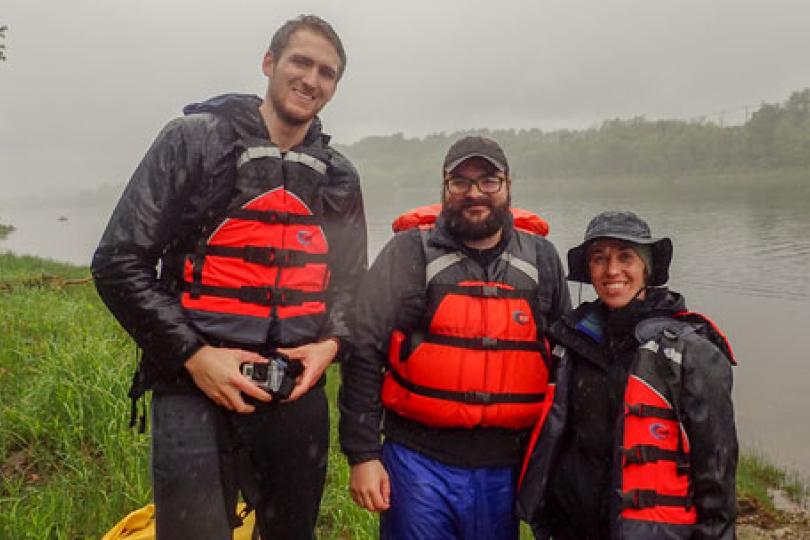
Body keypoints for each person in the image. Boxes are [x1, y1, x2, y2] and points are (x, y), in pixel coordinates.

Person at [92, 15, 367, 540]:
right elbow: (118, 261)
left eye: (326, 73)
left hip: (293, 392)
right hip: (194, 385)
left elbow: (352, 284)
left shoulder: (338, 176)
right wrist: (195, 357)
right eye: (300, 62)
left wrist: (330, 344)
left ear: (334, 88)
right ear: (269, 63)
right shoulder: (193, 141)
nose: (312, 79)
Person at [339, 136, 571, 539]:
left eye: (488, 181)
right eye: (460, 182)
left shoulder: (542, 260)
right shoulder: (406, 253)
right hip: (418, 462)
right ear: (444, 188)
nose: (474, 193)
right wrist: (363, 455)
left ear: (508, 185)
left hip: (507, 467)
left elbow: (566, 364)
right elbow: (363, 350)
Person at [517, 210, 738, 539]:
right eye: (599, 259)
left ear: (646, 269)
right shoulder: (568, 340)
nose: (612, 271)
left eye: (626, 257)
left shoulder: (691, 352)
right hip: (571, 527)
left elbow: (716, 468)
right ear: (588, 270)